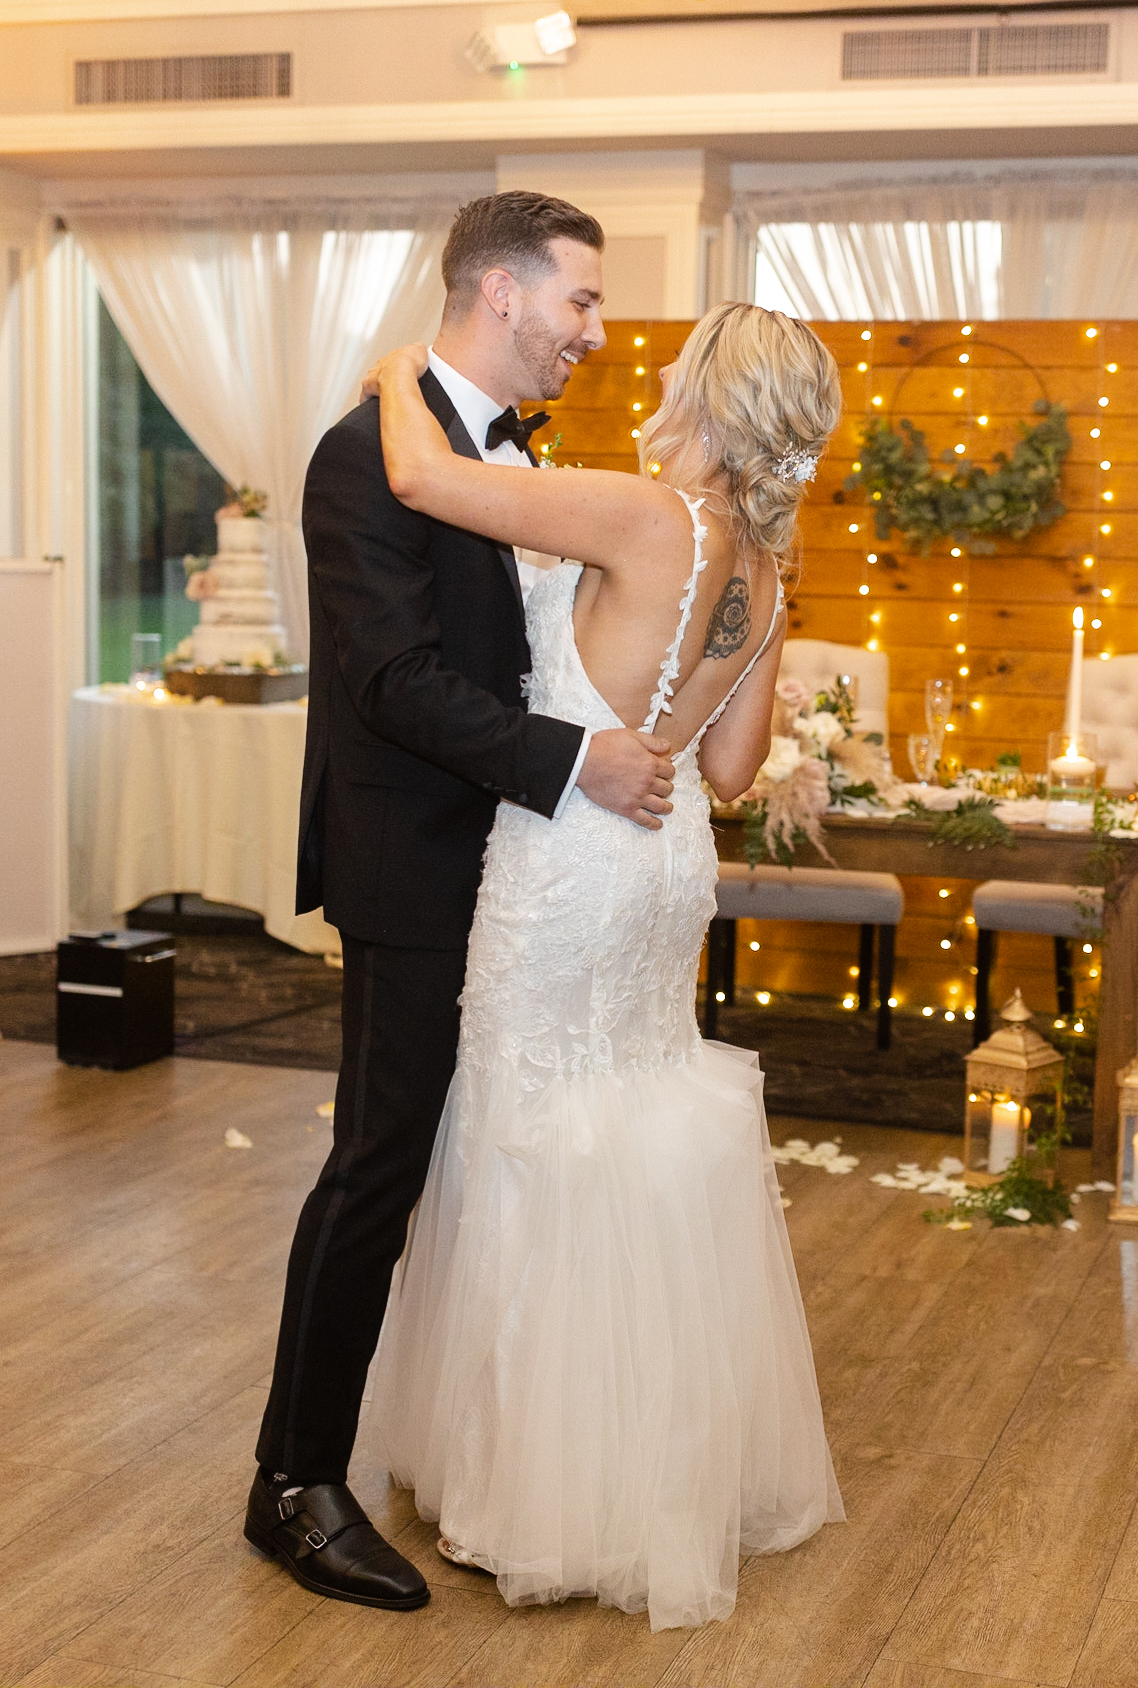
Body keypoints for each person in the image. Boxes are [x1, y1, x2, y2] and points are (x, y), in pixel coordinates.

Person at [362, 301, 846, 1631]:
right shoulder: (763, 557)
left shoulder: (647, 516)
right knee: (630, 1113)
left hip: (574, 856)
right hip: (667, 856)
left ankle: (536, 1492)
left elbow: (423, 477)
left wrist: (398, 370)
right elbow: (736, 769)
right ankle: (648, 1465)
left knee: (532, 1130)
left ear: (707, 395)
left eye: (680, 368)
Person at [245, 192, 676, 1611]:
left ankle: (468, 1446)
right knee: (378, 1166)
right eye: (580, 302)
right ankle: (292, 1486)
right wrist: (578, 766)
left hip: (520, 874)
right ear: (499, 292)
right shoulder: (361, 459)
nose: (592, 334)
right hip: (418, 867)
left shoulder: (496, 455)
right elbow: (388, 682)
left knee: (477, 1164)